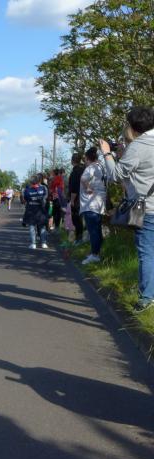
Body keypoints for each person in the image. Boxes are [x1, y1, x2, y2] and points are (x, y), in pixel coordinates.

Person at [100, 105, 154, 312]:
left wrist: (107, 153)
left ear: (132, 126)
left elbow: (115, 175)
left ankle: (146, 297)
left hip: (147, 209)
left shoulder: (139, 146)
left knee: (146, 253)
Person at [79, 147, 107, 265]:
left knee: (93, 231)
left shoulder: (90, 167)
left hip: (89, 204)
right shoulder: (101, 167)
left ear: (87, 158)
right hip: (99, 204)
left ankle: (95, 255)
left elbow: (83, 179)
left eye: (85, 159)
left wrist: (88, 187)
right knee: (97, 230)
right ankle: (96, 253)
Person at [23, 174, 49, 249]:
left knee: (32, 226)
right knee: (42, 226)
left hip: (31, 210)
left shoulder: (27, 190)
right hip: (41, 210)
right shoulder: (43, 188)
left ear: (31, 182)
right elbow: (46, 197)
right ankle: (43, 243)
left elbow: (25, 199)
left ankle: (33, 244)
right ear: (38, 181)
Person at [68, 153, 86, 244]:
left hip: (77, 198)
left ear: (72, 161)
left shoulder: (75, 172)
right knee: (81, 219)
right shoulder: (84, 169)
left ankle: (79, 238)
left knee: (76, 219)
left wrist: (72, 200)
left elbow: (74, 187)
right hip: (85, 197)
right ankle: (80, 238)